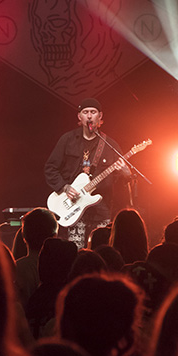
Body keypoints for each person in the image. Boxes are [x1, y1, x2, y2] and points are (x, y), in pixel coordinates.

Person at [45, 98, 131, 249]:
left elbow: (121, 181)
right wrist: (65, 188)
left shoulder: (110, 145)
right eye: (85, 112)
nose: (89, 116)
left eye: (93, 112)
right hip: (73, 208)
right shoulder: (67, 140)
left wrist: (125, 173)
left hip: (101, 209)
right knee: (75, 250)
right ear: (80, 117)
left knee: (101, 249)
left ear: (100, 116)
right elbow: (50, 168)